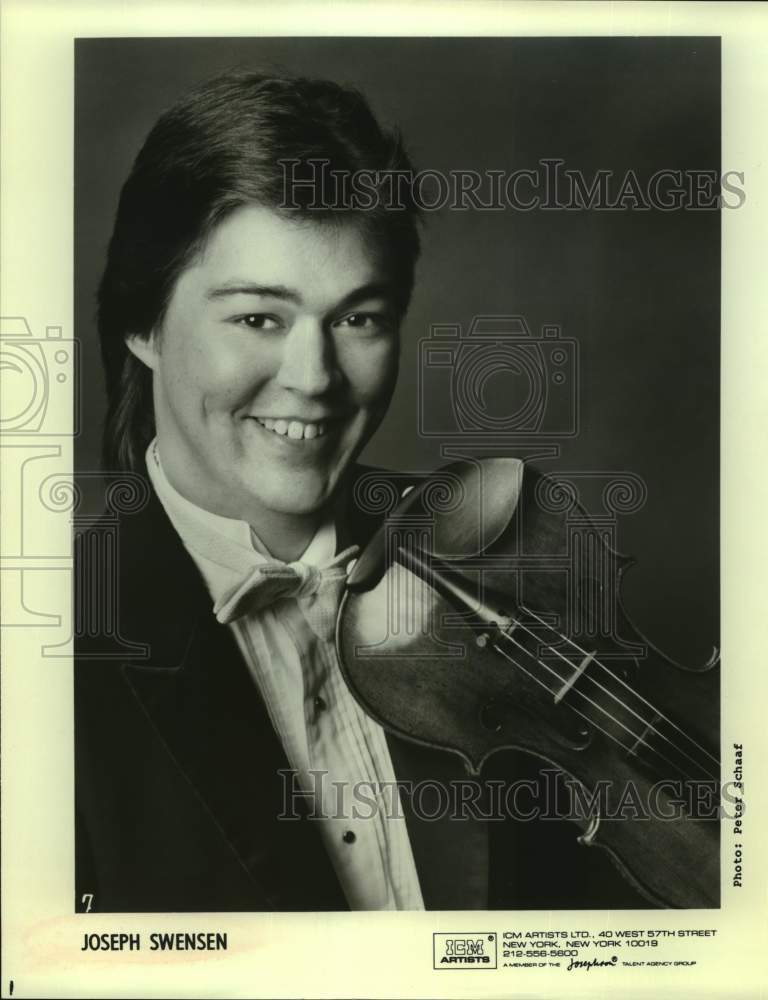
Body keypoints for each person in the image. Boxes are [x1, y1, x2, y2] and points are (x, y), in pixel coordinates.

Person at [75, 69, 647, 912]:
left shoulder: (499, 557)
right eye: (258, 318)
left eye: (357, 319)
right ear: (141, 323)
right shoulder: (49, 654)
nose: (314, 380)